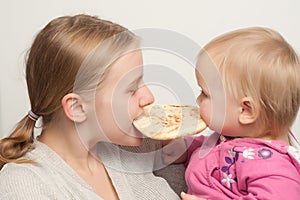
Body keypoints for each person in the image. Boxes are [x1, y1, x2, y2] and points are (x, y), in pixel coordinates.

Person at [0, 14, 191, 200]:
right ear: (77, 108)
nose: (149, 97)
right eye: (132, 89)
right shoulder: (25, 184)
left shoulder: (138, 148)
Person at [163, 27, 300, 199]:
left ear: (246, 110)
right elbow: (212, 150)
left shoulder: (271, 166)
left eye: (205, 94)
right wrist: (184, 148)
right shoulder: (234, 135)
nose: (198, 101)